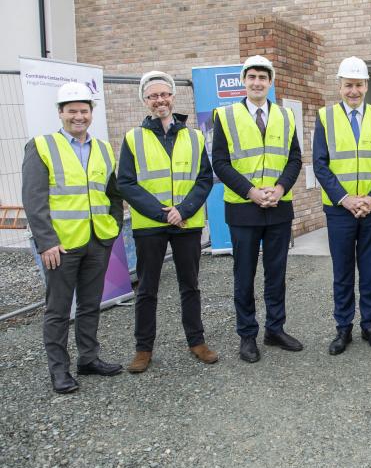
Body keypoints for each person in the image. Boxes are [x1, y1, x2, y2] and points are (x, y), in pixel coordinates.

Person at [22, 82, 124, 393]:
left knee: (91, 303)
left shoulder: (104, 148)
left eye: (83, 111)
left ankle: (88, 359)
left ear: (91, 113)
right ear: (60, 113)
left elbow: (113, 194)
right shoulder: (42, 146)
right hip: (61, 244)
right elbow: (33, 199)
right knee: (58, 309)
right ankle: (59, 371)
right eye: (71, 111)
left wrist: (114, 226)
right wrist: (46, 242)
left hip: (97, 239)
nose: (78, 117)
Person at [118, 71, 217, 373]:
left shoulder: (195, 136)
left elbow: (203, 179)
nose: (160, 100)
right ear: (145, 101)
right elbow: (126, 182)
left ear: (173, 97)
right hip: (151, 225)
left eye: (164, 94)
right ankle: (143, 349)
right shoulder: (133, 138)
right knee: (147, 288)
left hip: (186, 223)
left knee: (190, 285)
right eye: (153, 96)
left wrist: (183, 210)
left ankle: (197, 342)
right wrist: (163, 212)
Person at [212, 55, 302, 363]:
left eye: (263, 78)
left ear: (270, 82)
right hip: (243, 209)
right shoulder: (224, 115)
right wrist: (251, 192)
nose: (257, 82)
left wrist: (279, 189)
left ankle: (275, 329)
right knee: (244, 276)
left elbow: (294, 159)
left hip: (278, 207)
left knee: (276, 274)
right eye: (251, 77)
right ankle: (247, 335)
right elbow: (220, 163)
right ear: (243, 80)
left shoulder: (286, 116)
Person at [312, 56, 371, 355]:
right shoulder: (325, 117)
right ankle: (343, 328)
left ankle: (369, 325)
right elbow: (320, 165)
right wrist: (345, 199)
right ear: (340, 86)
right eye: (348, 85)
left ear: (366, 85)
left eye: (358, 85)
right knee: (343, 271)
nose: (354, 91)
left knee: (370, 270)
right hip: (340, 210)